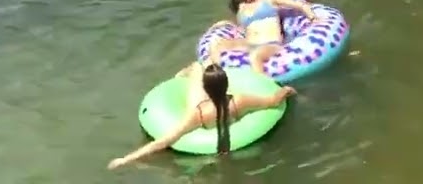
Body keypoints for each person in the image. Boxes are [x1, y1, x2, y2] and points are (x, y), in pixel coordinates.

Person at [107, 62, 295, 169]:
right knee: (199, 70)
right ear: (227, 84)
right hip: (223, 106)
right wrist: (286, 90)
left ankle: (180, 78)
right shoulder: (240, 101)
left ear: (207, 88)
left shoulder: (197, 115)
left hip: (201, 108)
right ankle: (185, 78)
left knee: (197, 66)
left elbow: (163, 142)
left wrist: (126, 159)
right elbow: (272, 101)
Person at [204, 0, 318, 75]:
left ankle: (266, 90)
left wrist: (313, 18)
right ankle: (215, 80)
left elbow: (300, 5)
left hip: (270, 44)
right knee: (216, 44)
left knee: (255, 56)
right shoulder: (242, 7)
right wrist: (225, 23)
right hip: (249, 44)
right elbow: (242, 29)